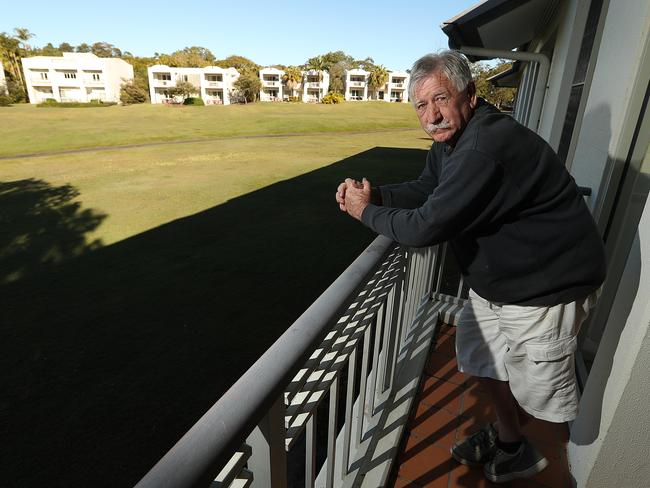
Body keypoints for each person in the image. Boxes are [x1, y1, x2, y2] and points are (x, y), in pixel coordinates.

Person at [335, 51, 606, 484]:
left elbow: (426, 226)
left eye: (441, 98)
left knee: (538, 393)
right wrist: (380, 195)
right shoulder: (450, 145)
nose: (432, 115)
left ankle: (521, 448)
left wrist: (364, 212)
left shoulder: (484, 145)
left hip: (547, 287)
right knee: (481, 360)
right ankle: (509, 437)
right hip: (498, 281)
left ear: (471, 95)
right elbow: (429, 188)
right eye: (421, 105)